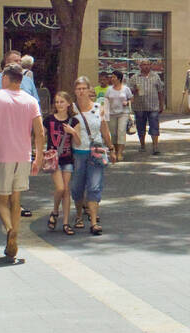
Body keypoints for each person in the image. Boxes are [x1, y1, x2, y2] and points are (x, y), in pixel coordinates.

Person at [0, 63, 45, 259]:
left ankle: (10, 229)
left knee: (1, 200)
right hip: (23, 155)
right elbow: (40, 132)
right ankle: (15, 238)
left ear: (5, 78)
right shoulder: (31, 101)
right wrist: (39, 156)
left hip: (3, 154)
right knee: (16, 201)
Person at [71, 75, 116, 234]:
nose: (81, 91)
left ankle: (94, 222)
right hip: (78, 153)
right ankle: (78, 214)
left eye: (84, 88)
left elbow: (104, 128)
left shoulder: (98, 107)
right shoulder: (72, 109)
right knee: (77, 186)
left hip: (96, 151)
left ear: (90, 89)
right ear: (75, 91)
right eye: (78, 89)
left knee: (95, 186)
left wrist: (111, 147)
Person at [43, 90, 78, 234]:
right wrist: (39, 154)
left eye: (62, 102)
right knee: (60, 188)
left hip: (68, 158)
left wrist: (73, 132)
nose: (59, 105)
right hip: (53, 159)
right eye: (57, 102)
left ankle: (65, 223)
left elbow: (78, 141)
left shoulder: (74, 121)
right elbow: (40, 136)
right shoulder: (49, 120)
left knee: (66, 190)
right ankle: (55, 210)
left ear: (69, 103)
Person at [130, 60, 165, 155]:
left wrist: (161, 104)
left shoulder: (155, 76)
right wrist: (134, 90)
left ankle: (155, 146)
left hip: (153, 106)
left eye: (148, 64)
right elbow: (129, 92)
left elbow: (160, 91)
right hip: (139, 106)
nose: (146, 66)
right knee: (140, 127)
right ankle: (142, 145)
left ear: (150, 66)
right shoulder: (134, 77)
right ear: (140, 66)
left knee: (154, 126)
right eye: (144, 65)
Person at [103, 69, 133, 158]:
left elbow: (131, 98)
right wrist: (104, 112)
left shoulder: (126, 89)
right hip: (112, 114)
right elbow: (106, 101)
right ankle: (115, 151)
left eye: (114, 77)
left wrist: (127, 102)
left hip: (123, 113)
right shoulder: (109, 89)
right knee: (114, 134)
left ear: (119, 79)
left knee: (121, 131)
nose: (112, 79)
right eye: (111, 77)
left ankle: (120, 153)